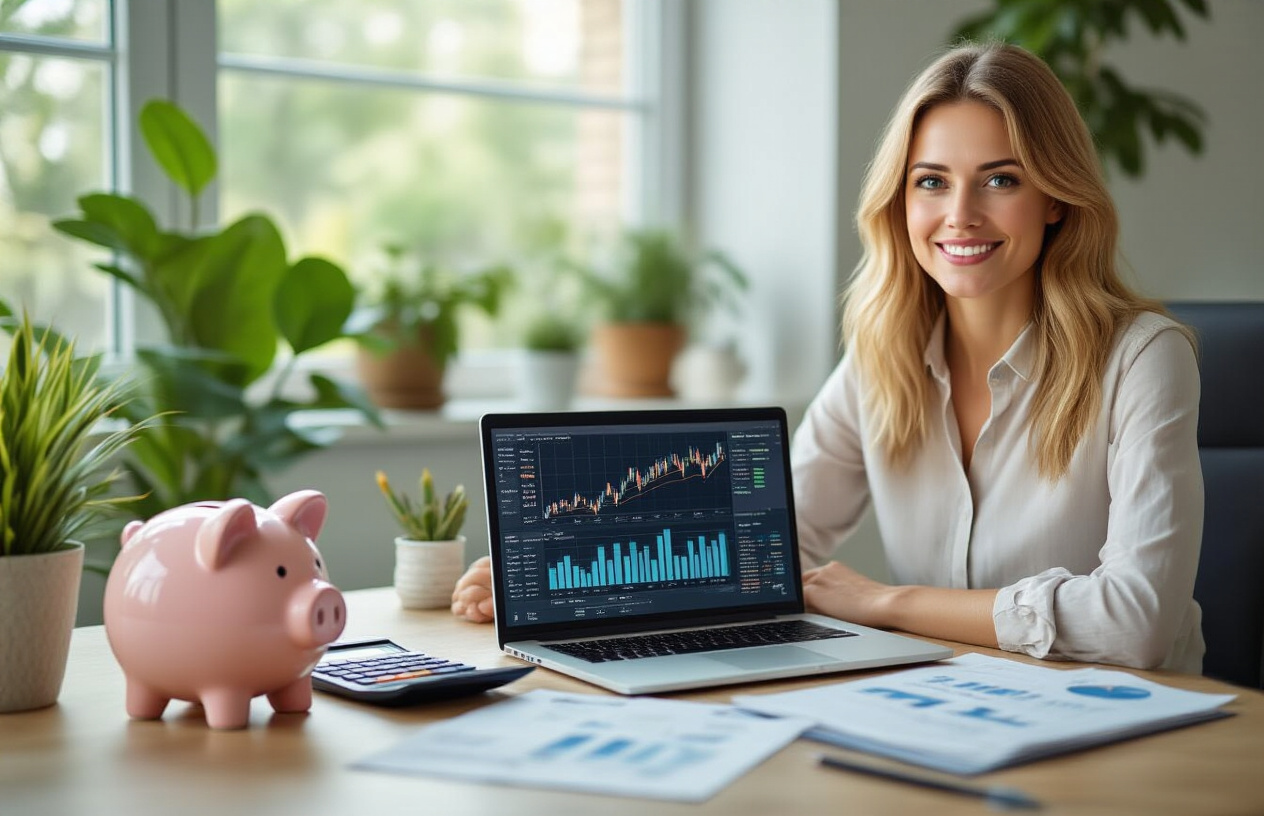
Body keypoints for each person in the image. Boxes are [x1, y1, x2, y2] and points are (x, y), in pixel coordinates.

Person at [451, 42, 1204, 674]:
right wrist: (552, 576)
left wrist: (889, 603)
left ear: (1055, 198)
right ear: (900, 203)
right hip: (958, 708)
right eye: (931, 183)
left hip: (1137, 723)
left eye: (1000, 180)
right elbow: (766, 545)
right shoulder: (883, 360)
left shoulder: (1142, 359)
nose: (960, 215)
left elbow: (1133, 620)